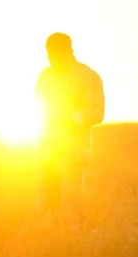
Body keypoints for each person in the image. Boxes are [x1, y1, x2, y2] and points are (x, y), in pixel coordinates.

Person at [34, 32, 105, 224]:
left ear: (70, 51)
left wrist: (71, 118)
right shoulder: (45, 76)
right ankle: (48, 247)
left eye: (58, 56)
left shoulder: (88, 76)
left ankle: (75, 247)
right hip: (46, 153)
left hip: (74, 153)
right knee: (45, 212)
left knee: (72, 210)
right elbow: (36, 107)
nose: (54, 62)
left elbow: (97, 112)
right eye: (50, 57)